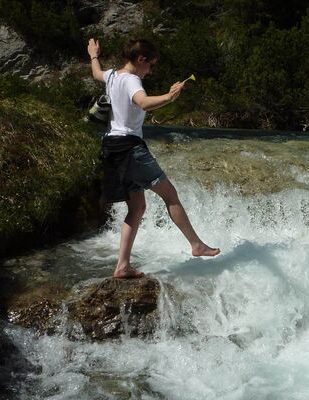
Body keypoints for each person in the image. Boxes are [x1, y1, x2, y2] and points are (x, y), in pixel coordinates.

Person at [87, 38, 220, 279]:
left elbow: (96, 73)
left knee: (137, 207)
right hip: (129, 147)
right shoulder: (131, 80)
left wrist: (94, 54)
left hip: (111, 147)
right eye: (151, 65)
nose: (151, 71)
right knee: (170, 195)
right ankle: (196, 245)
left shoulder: (113, 76)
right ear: (141, 60)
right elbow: (143, 102)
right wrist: (169, 97)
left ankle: (122, 266)